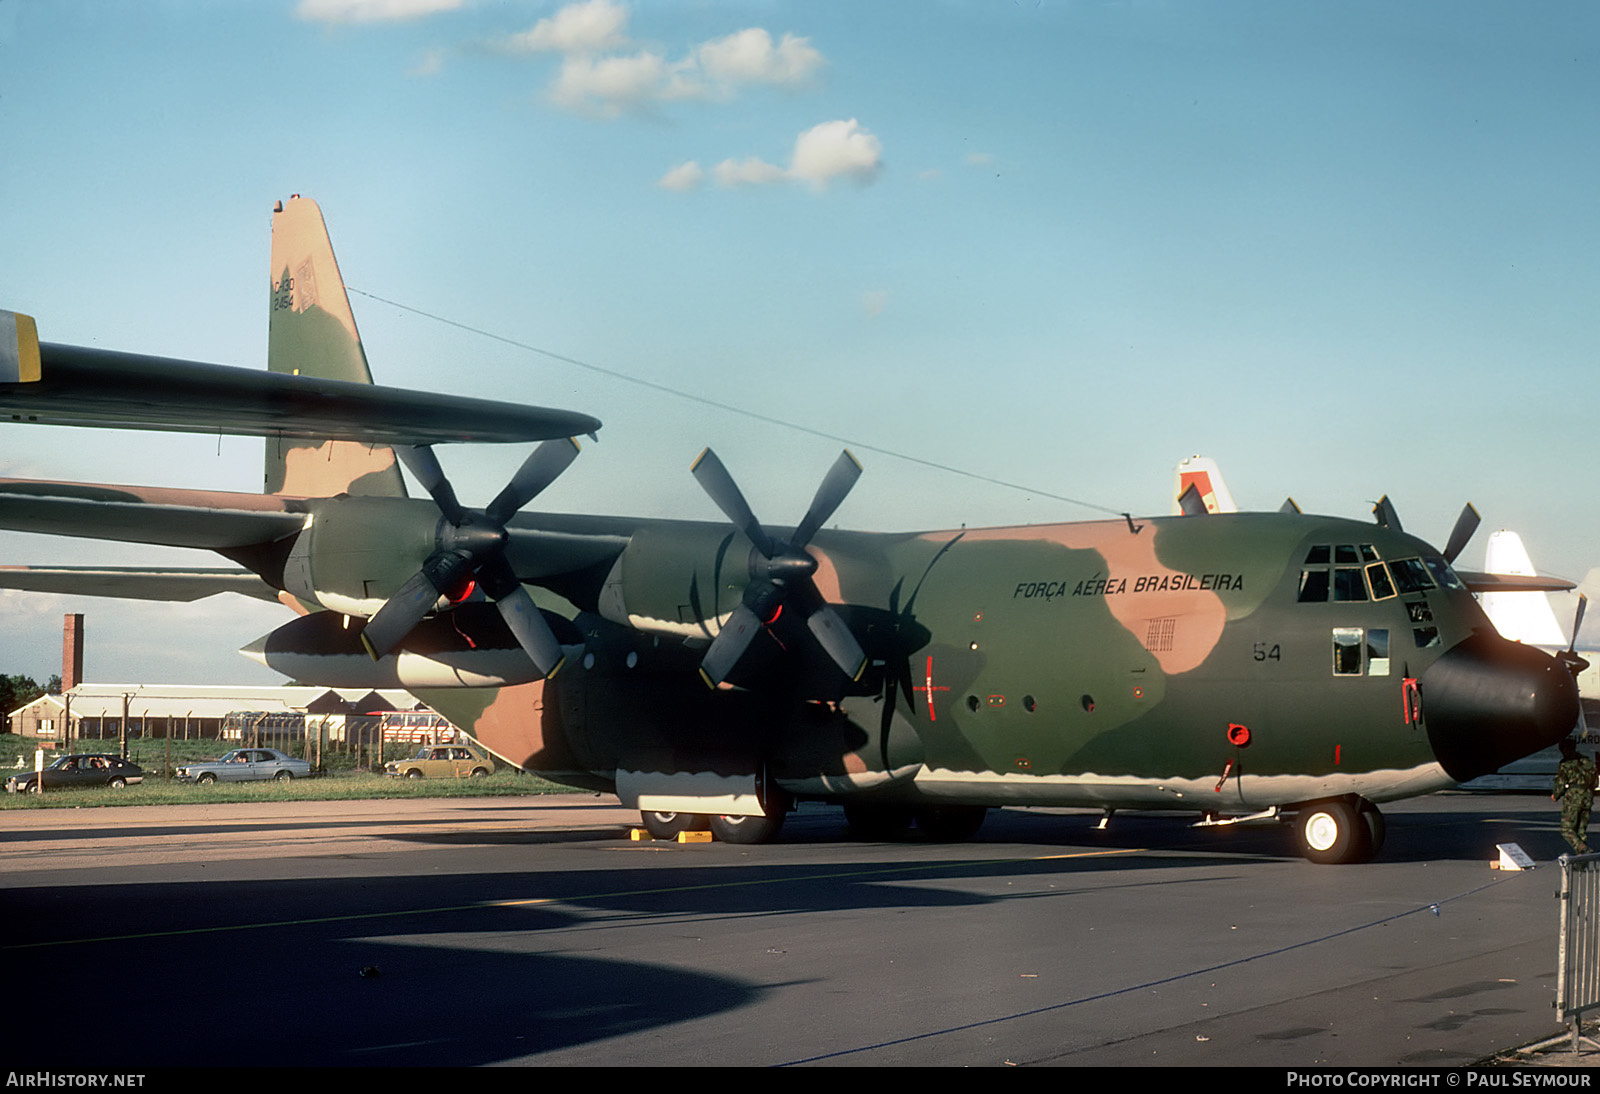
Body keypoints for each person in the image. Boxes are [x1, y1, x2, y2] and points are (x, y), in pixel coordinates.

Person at [1552, 738, 1597, 854]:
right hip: (1587, 797)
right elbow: (1595, 782)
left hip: (1573, 798)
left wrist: (1555, 795)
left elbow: (1560, 783)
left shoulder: (1565, 763)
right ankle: (1582, 862)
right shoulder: (1588, 761)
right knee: (1580, 832)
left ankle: (1584, 849)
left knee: (1566, 829)